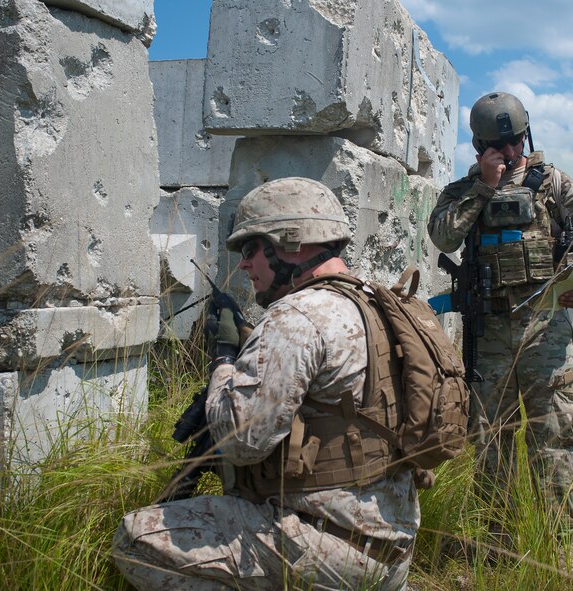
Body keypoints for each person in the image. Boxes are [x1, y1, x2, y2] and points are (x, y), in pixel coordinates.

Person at [113, 177, 418, 590]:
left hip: (332, 552)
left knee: (136, 538)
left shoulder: (295, 316)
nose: (243, 263)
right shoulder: (376, 302)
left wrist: (223, 361)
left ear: (291, 243)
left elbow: (242, 442)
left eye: (251, 248)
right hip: (391, 547)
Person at [428, 92, 573, 573]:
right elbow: (443, 236)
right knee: (490, 444)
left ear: (525, 136)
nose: (508, 153)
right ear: (478, 147)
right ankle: (498, 546)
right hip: (487, 337)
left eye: (514, 142)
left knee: (555, 436)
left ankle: (562, 549)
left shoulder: (553, 185)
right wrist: (485, 189)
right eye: (497, 146)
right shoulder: (463, 191)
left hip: (546, 334)